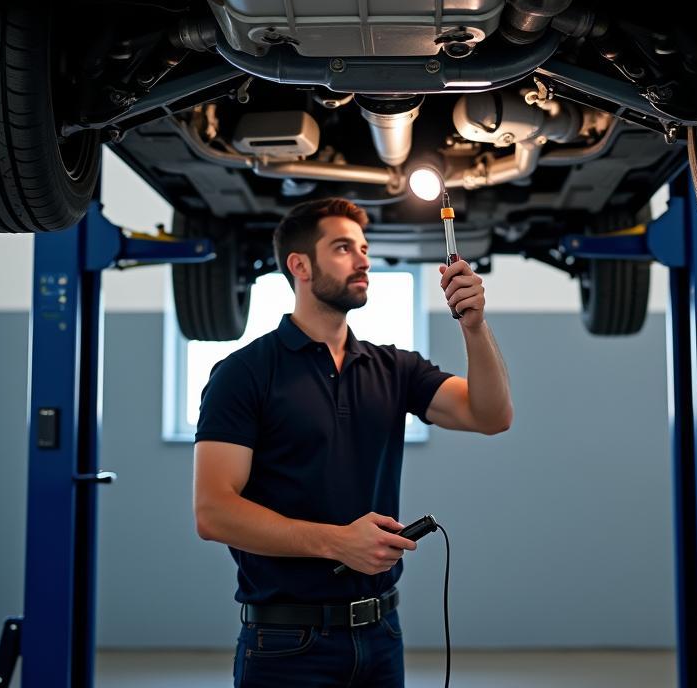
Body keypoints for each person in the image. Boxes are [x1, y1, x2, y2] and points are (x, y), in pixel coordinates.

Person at [194, 197, 513, 687]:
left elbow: (491, 415)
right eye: (343, 248)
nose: (363, 259)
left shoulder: (393, 368)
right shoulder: (244, 374)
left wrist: (475, 326)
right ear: (299, 265)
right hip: (285, 646)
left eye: (364, 248)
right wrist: (338, 542)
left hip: (382, 635)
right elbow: (213, 512)